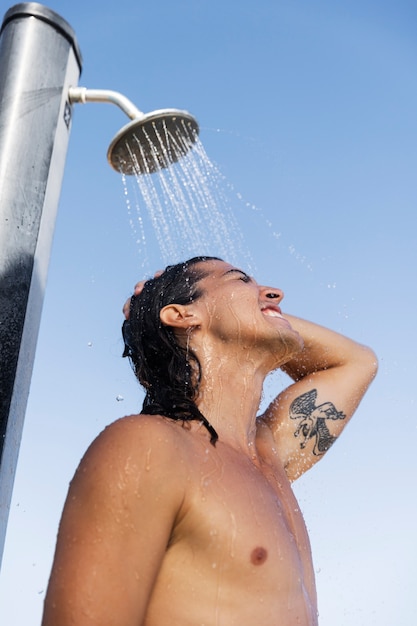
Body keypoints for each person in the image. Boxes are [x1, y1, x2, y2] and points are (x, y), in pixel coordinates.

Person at [42, 256, 377, 626]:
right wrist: (253, 314)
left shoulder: (268, 455)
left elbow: (357, 362)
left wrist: (262, 313)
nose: (274, 293)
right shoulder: (149, 447)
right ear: (182, 315)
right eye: (240, 280)